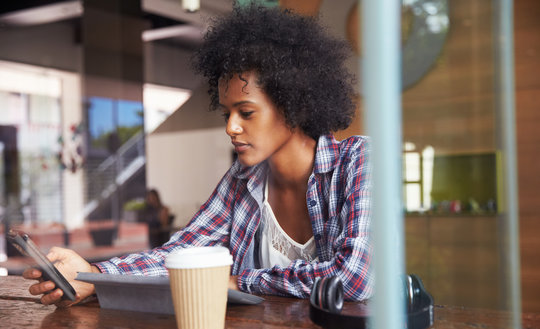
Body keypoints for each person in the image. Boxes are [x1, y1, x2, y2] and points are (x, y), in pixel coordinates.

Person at [23, 4, 373, 307]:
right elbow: (180, 255)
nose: (231, 128)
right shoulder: (243, 179)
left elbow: (355, 277)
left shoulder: (357, 162)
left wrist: (239, 281)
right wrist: (93, 275)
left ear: (294, 105)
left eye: (246, 113)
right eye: (226, 114)